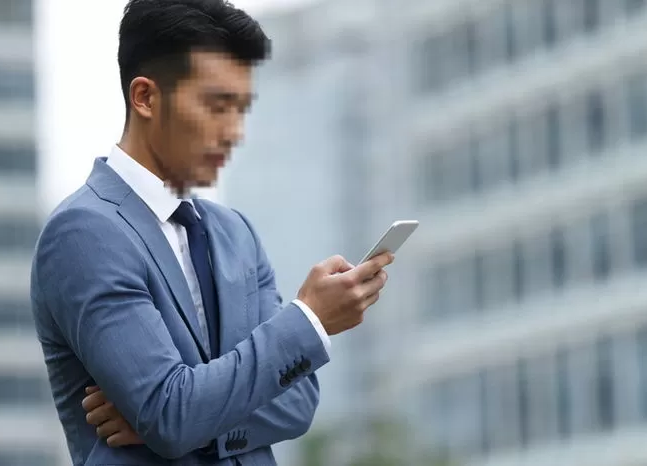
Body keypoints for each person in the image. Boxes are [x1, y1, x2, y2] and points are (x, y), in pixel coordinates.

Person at [30, 0, 393, 464]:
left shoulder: (234, 233)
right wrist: (308, 319)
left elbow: (297, 404)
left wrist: (192, 420)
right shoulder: (85, 233)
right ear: (145, 97)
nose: (233, 132)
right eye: (215, 106)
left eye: (240, 109)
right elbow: (169, 412)